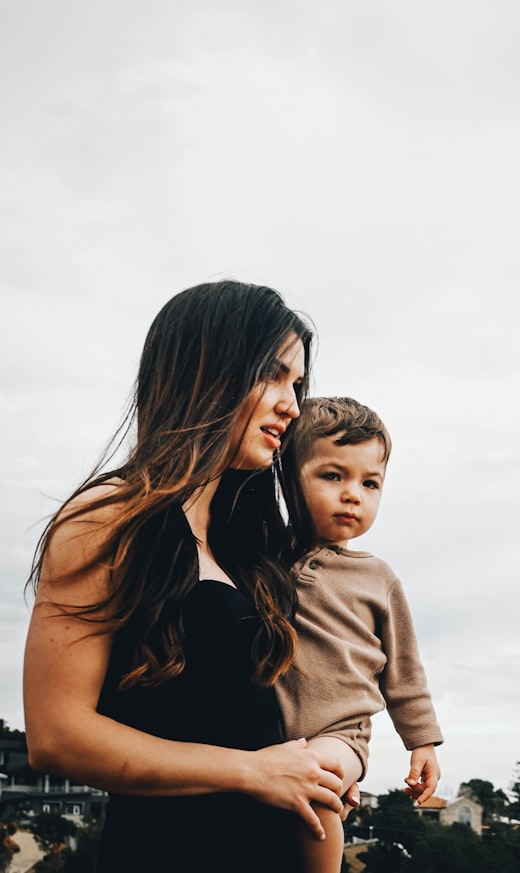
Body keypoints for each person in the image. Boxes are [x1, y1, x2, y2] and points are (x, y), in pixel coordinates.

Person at [23, 281, 357, 873]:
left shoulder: (251, 547)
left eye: (297, 385)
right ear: (207, 369)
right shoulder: (108, 520)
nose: (293, 405)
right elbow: (57, 735)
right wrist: (254, 771)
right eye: (274, 376)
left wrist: (334, 760)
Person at [277, 396, 444, 873]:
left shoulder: (378, 578)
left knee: (319, 781)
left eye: (370, 483)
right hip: (270, 736)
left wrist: (422, 743)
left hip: (340, 735)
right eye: (334, 476)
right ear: (290, 475)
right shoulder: (261, 558)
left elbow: (404, 671)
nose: (354, 494)